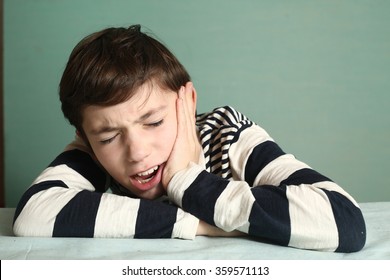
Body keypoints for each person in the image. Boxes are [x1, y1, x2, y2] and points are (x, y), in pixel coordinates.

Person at [13, 24, 366, 252]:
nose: (136, 152)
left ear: (188, 103)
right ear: (85, 137)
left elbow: (345, 222)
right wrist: (204, 225)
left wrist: (187, 180)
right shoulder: (93, 148)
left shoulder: (228, 134)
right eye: (108, 138)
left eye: (153, 122)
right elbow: (34, 214)